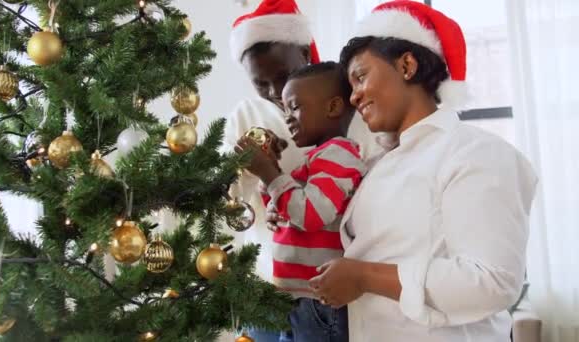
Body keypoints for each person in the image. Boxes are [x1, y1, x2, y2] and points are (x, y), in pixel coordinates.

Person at [304, 2, 538, 341]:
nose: (353, 97)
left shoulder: (477, 153)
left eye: (360, 77)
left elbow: (492, 281)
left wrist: (364, 277)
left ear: (407, 65)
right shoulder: (381, 165)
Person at [224, 1, 376, 340]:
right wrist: (269, 191)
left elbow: (320, 207)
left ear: (305, 54)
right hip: (273, 283)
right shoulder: (248, 114)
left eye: (281, 76)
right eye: (260, 83)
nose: (275, 93)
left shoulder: (344, 119)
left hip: (319, 291)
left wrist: (270, 174)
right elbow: (238, 199)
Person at [237, 62, 365, 341]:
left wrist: (270, 172)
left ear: (332, 108)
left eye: (294, 107)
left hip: (318, 302)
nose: (288, 118)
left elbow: (311, 214)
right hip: (299, 298)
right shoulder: (317, 159)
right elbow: (286, 206)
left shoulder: (339, 155)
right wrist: (269, 169)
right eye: (285, 110)